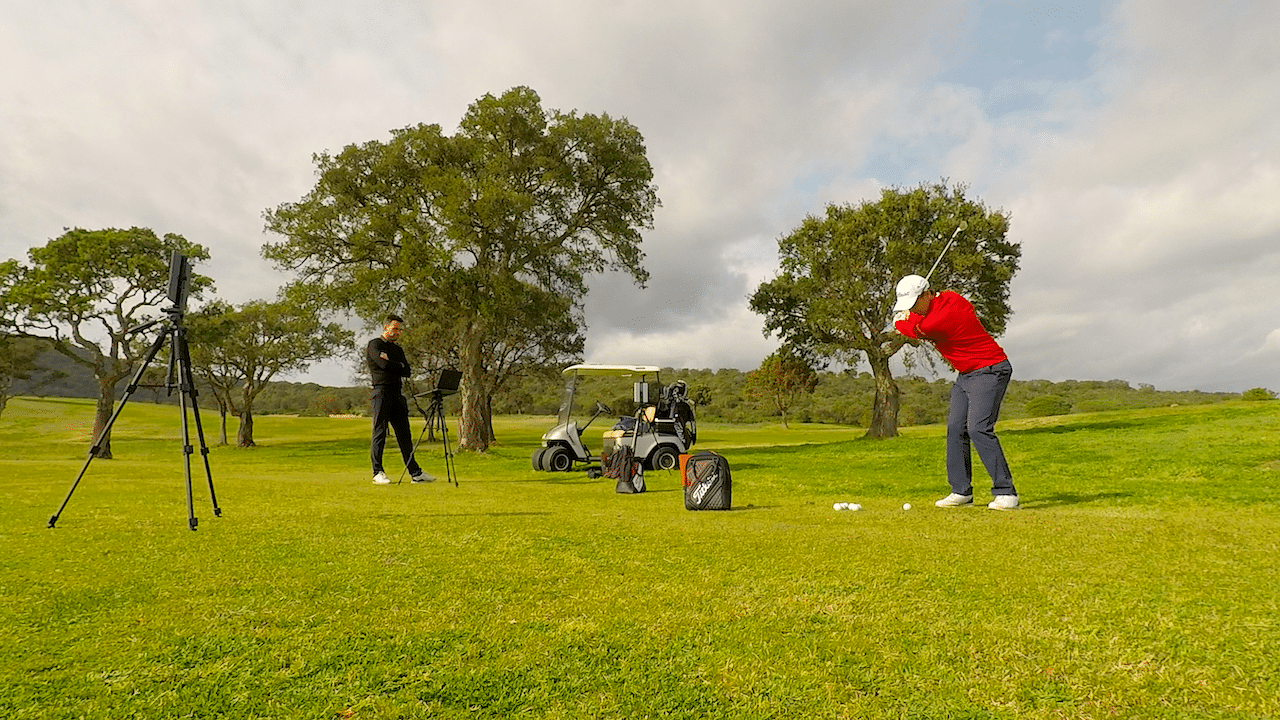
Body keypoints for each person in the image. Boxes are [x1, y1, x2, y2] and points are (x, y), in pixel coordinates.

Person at [892, 275, 1019, 510]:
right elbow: (918, 317)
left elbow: (912, 329)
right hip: (966, 373)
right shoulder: (951, 297)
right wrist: (909, 315)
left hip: (989, 369)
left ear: (926, 294)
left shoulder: (936, 321)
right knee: (955, 429)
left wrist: (900, 321)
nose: (913, 309)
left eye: (914, 303)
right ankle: (961, 491)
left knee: (978, 428)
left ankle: (1006, 493)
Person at [367, 314, 434, 485]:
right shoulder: (375, 345)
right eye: (395, 329)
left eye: (400, 330)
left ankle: (415, 473)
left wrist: (395, 364)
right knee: (380, 432)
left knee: (404, 434)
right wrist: (397, 365)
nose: (397, 332)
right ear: (385, 327)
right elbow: (383, 364)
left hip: (397, 393)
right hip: (381, 392)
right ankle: (377, 472)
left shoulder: (397, 350)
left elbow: (407, 371)